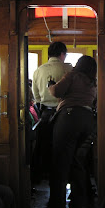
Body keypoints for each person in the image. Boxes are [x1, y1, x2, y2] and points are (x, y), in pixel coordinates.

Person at [47, 55, 97, 208]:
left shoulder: (72, 76)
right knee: (77, 163)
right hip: (88, 120)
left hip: (69, 119)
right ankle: (79, 204)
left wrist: (51, 85)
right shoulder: (93, 82)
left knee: (60, 163)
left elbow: (57, 92)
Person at [32, 41, 72, 177]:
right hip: (66, 113)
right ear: (62, 54)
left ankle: (45, 174)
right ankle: (64, 174)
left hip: (46, 114)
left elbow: (36, 95)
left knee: (45, 145)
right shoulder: (69, 70)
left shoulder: (38, 71)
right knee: (65, 147)